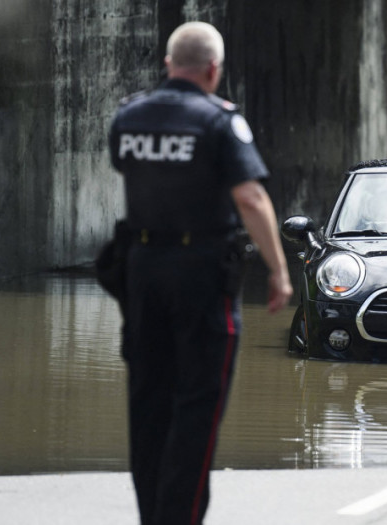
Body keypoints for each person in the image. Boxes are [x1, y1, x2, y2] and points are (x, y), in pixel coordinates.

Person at [107, 21, 292, 524]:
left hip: (141, 275)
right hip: (201, 277)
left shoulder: (129, 116)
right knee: (196, 406)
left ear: (169, 65)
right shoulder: (218, 122)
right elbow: (250, 197)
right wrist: (279, 271)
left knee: (148, 403)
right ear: (214, 70)